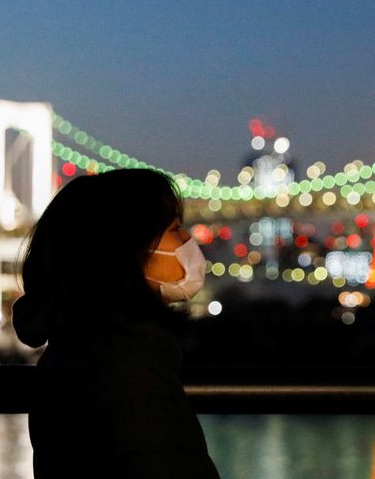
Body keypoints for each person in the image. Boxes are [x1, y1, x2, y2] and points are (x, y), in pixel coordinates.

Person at [13, 168, 220, 479]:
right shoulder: (125, 364)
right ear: (126, 247)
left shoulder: (79, 344)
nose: (188, 239)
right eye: (175, 228)